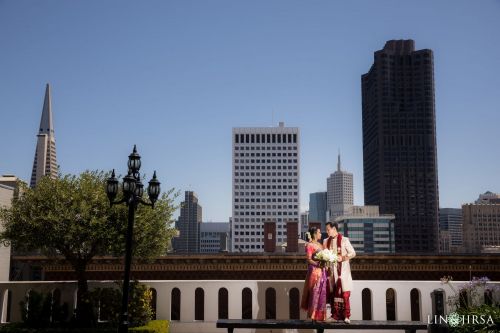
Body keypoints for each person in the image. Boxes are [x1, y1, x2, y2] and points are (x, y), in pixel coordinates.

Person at [323, 221, 356, 323]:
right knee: (333, 294)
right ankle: (334, 315)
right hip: (332, 273)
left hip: (343, 273)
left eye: (328, 229)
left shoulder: (344, 240)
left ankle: (346, 316)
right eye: (326, 230)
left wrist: (343, 257)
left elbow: (353, 253)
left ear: (334, 228)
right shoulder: (325, 241)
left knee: (345, 294)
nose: (327, 231)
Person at [300, 226, 328, 322]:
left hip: (322, 271)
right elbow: (308, 259)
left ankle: (321, 316)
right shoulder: (309, 245)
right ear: (315, 234)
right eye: (319, 232)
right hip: (314, 272)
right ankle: (312, 316)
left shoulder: (320, 245)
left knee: (322, 293)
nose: (321, 234)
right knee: (314, 292)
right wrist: (318, 264)